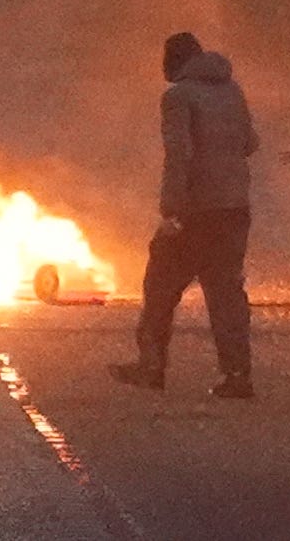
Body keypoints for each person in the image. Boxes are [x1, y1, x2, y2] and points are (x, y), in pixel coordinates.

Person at [109, 31, 259, 399]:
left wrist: (171, 210)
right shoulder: (232, 90)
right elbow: (251, 143)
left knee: (160, 285)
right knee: (227, 293)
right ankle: (238, 375)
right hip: (235, 207)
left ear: (173, 60)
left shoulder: (178, 96)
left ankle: (151, 366)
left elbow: (179, 155)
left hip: (197, 209)